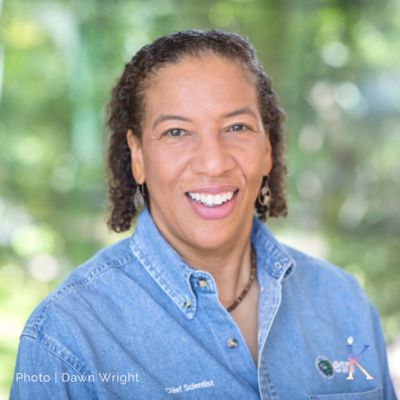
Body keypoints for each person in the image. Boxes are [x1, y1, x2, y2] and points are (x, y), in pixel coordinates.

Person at [10, 30, 396, 400]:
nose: (213, 163)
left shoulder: (343, 303)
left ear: (267, 148)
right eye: (177, 132)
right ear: (138, 156)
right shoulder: (66, 336)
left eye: (237, 127)